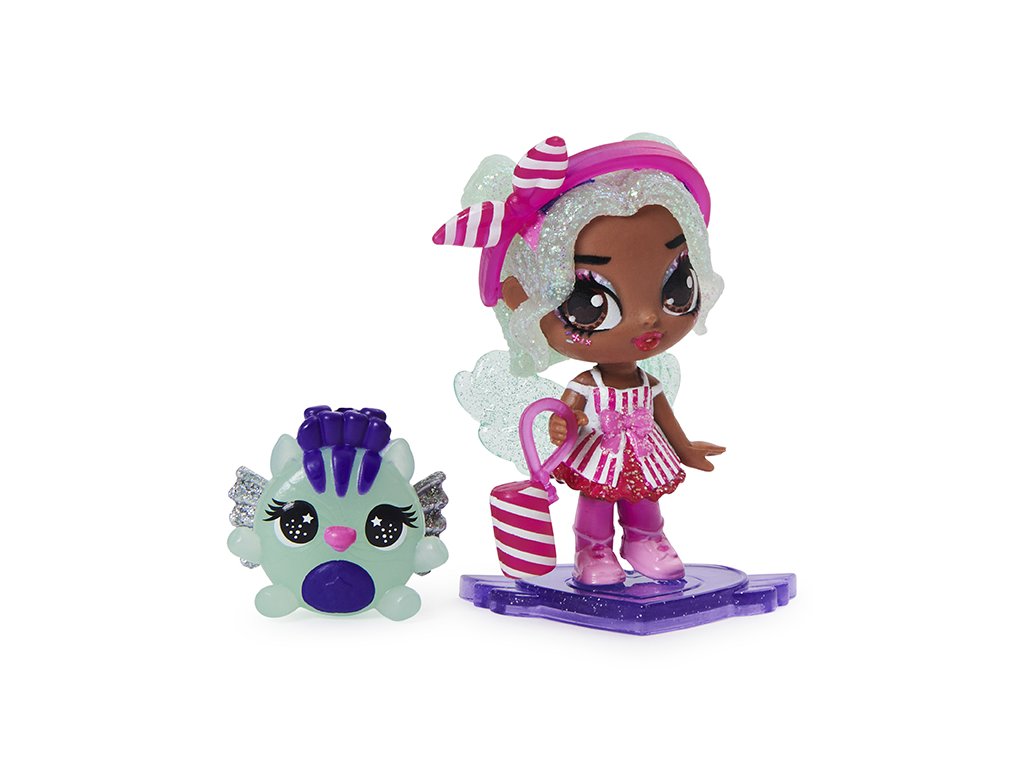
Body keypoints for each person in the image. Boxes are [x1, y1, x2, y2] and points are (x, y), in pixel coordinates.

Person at [434, 134, 725, 585]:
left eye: (677, 286)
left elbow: (663, 415)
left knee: (645, 501)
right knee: (595, 503)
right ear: (527, 303)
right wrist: (562, 424)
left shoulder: (647, 385)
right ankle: (593, 548)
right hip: (598, 455)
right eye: (592, 303)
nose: (647, 318)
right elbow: (564, 416)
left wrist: (684, 448)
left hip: (645, 453)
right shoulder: (588, 386)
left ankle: (645, 539)